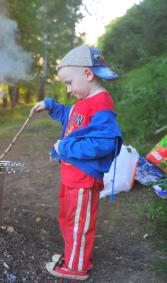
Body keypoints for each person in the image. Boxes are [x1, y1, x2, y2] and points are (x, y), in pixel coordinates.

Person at [31, 45, 123, 281]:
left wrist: (65, 147)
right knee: (68, 219)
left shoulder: (101, 103)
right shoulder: (84, 101)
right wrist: (50, 105)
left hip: (83, 179)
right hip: (71, 178)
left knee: (78, 224)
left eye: (69, 83)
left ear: (88, 74)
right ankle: (74, 257)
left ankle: (76, 267)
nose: (69, 89)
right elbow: (69, 116)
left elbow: (104, 143)